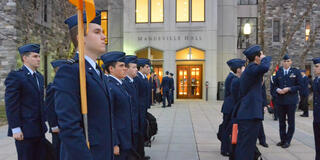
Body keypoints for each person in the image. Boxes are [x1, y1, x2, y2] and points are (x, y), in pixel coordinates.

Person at [54, 11, 113, 160]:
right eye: (97, 32)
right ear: (81, 38)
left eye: (103, 32)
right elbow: (69, 127)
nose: (104, 36)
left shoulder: (97, 71)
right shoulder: (70, 72)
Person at [5, 43, 48, 160]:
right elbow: (11, 104)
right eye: (35, 56)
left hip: (39, 130)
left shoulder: (39, 77)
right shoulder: (16, 76)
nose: (38, 59)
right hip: (25, 131)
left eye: (39, 56)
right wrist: (15, 128)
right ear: (25, 58)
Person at [234, 45, 271, 160]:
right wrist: (265, 58)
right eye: (261, 55)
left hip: (248, 113)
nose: (262, 57)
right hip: (249, 114)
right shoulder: (251, 68)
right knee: (246, 147)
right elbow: (264, 67)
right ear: (256, 58)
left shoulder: (251, 69)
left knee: (246, 146)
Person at [101, 52, 134, 160]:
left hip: (124, 136)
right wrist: (115, 143)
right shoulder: (110, 86)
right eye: (121, 66)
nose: (125, 68)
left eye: (125, 65)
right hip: (119, 139)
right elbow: (110, 116)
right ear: (111, 68)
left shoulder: (119, 84)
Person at [273, 54, 302, 148]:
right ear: (282, 62)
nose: (286, 63)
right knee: (281, 121)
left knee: (290, 122)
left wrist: (289, 89)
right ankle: (282, 139)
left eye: (288, 61)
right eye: (284, 61)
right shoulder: (279, 72)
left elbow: (300, 86)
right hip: (280, 101)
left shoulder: (296, 72)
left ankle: (288, 140)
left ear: (291, 62)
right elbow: (274, 85)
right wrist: (278, 90)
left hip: (291, 101)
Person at [219, 59, 246, 157]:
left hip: (229, 107)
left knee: (227, 128)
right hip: (230, 107)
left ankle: (226, 148)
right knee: (227, 129)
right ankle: (225, 149)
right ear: (238, 69)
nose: (244, 69)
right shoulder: (233, 78)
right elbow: (233, 95)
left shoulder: (232, 77)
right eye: (242, 67)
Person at [46, 60, 67, 160]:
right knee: (57, 149)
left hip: (65, 125)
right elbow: (50, 108)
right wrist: (53, 125)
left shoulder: (67, 85)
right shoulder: (53, 86)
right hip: (57, 126)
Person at [122, 55, 140, 157]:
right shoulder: (125, 83)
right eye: (133, 67)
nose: (136, 70)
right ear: (127, 69)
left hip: (134, 122)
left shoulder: (132, 82)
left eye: (136, 67)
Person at [134, 58, 151, 160]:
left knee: (142, 132)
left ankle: (141, 154)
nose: (149, 68)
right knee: (139, 133)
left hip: (143, 109)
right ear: (141, 68)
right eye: (147, 67)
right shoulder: (137, 79)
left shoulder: (144, 77)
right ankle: (139, 155)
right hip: (139, 110)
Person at [312, 57, 320, 160]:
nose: (315, 68)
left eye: (317, 66)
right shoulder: (316, 80)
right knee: (317, 141)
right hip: (317, 116)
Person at [258, 82, 269, 148]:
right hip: (251, 104)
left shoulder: (261, 80)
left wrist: (265, 105)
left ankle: (262, 140)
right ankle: (262, 140)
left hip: (260, 104)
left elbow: (263, 93)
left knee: (259, 122)